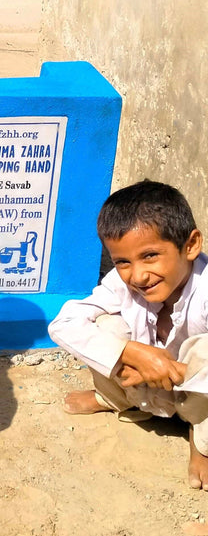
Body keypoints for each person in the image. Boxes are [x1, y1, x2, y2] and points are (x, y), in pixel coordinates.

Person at [49, 179, 208, 489]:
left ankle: (200, 440)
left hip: (197, 396)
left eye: (150, 256)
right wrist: (130, 353)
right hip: (142, 385)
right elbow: (62, 324)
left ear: (190, 246)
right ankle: (115, 399)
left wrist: (174, 372)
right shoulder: (123, 283)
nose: (137, 275)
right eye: (122, 261)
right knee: (105, 328)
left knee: (205, 350)